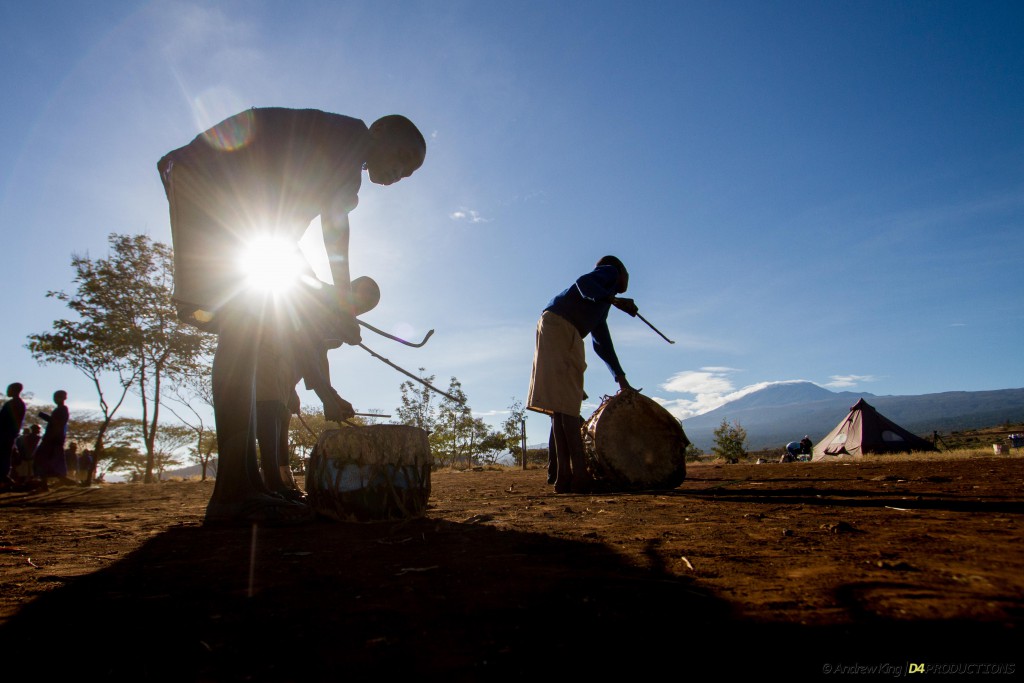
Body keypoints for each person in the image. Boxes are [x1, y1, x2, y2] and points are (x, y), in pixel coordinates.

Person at [157, 107, 426, 524]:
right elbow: (334, 229)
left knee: (245, 323)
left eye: (407, 174)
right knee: (242, 324)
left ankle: (246, 483)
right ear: (379, 134)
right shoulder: (348, 142)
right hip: (210, 182)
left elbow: (284, 245)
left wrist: (324, 299)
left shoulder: (335, 147)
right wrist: (339, 303)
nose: (399, 175)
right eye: (403, 160)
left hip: (222, 194)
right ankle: (233, 491)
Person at [527, 256, 637, 493]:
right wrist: (615, 300)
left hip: (553, 324)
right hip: (562, 326)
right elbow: (584, 283)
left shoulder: (597, 304)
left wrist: (620, 377)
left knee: (560, 406)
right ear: (621, 272)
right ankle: (579, 475)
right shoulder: (608, 273)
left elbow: (602, 343)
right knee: (567, 402)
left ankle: (564, 477)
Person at [34, 390, 71, 484]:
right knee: (47, 459)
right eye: (54, 397)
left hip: (53, 439)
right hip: (53, 438)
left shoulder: (63, 409)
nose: (55, 399)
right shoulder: (59, 409)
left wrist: (44, 416)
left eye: (57, 397)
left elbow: (57, 423)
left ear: (64, 398)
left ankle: (50, 481)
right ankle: (51, 481)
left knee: (42, 458)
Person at [0, 383, 27, 490]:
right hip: (10, 434)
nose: (7, 391)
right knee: (5, 457)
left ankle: (4, 479)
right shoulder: (20, 404)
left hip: (5, 435)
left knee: (3, 457)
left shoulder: (11, 404)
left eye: (9, 389)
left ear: (15, 390)